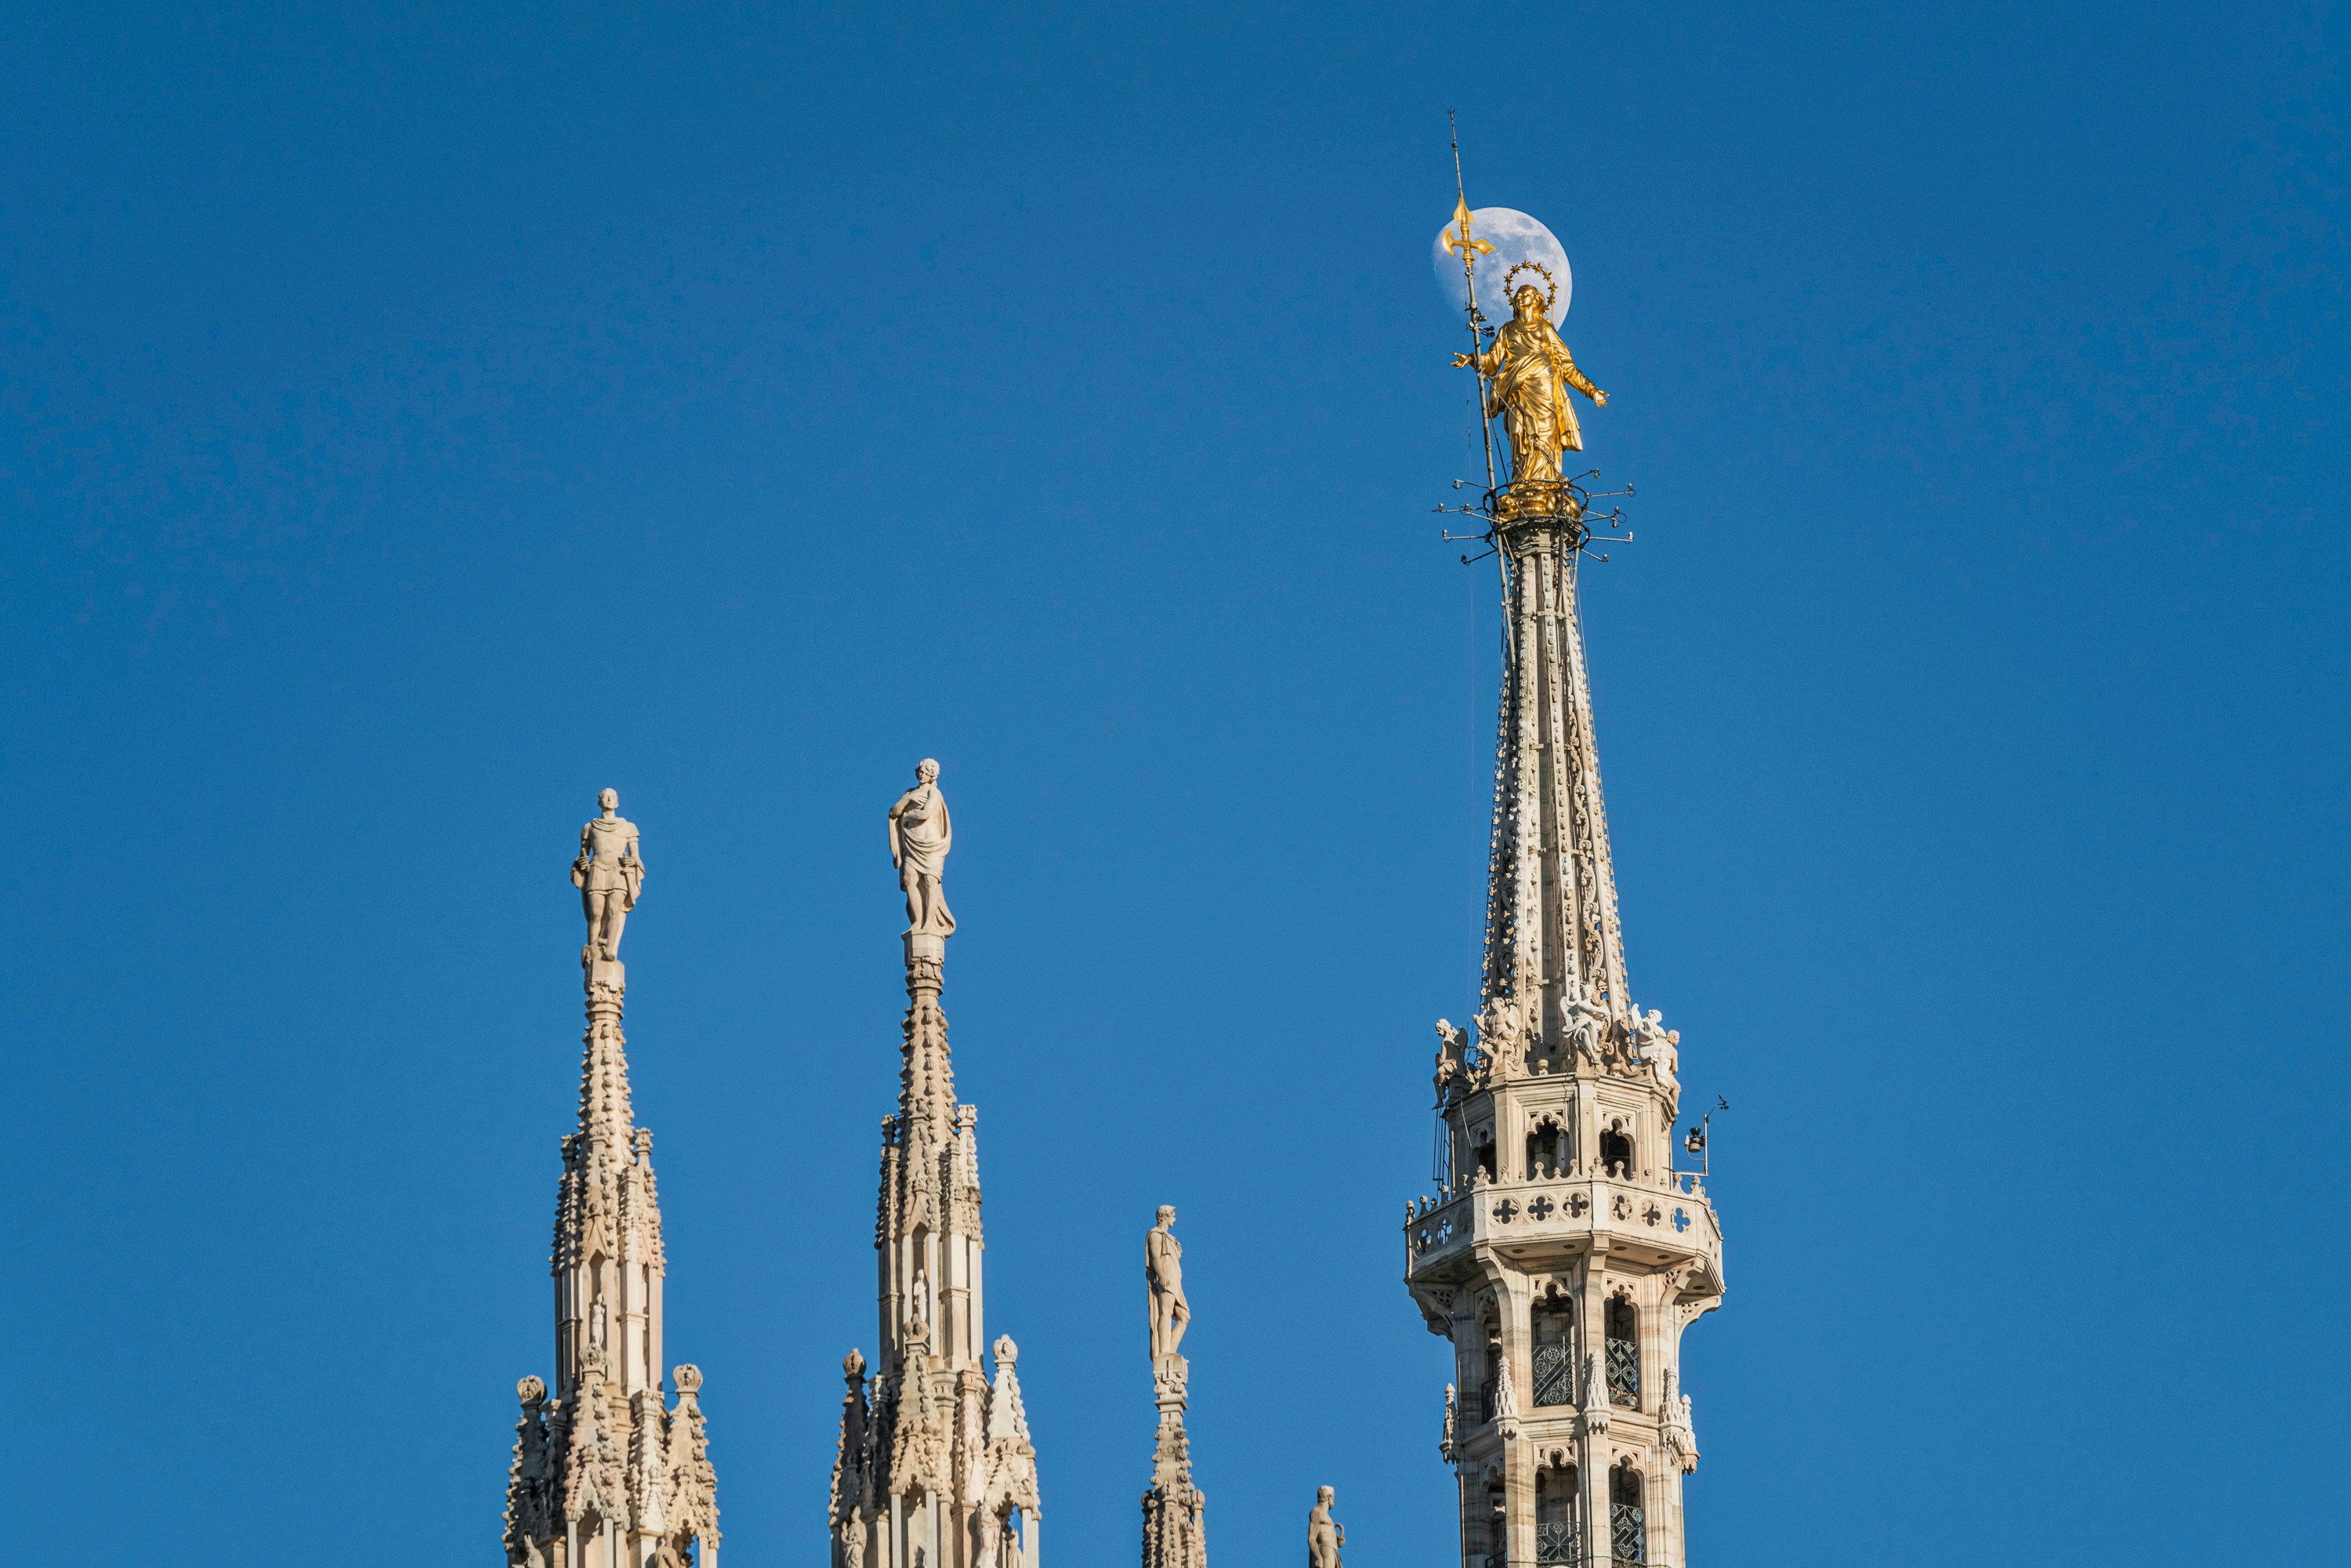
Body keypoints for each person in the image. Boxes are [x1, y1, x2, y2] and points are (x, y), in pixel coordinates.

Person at [1453, 284, 1608, 486]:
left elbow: (1567, 366)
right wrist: (1472, 359)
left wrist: (1591, 390)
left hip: (1544, 391)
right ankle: (1522, 481)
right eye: (1518, 294)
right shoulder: (1508, 330)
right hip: (1517, 389)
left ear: (1536, 300)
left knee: (1545, 435)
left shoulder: (1545, 328)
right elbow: (1492, 361)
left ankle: (1548, 480)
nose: (1520, 297)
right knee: (1518, 432)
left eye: (1526, 294)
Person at [572, 788, 644, 961]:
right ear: (599, 802)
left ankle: (610, 948)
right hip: (597, 868)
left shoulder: (628, 827)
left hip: (618, 870)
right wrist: (582, 863)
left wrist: (632, 863)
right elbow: (583, 855)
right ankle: (593, 950)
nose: (609, 799)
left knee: (614, 910)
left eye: (613, 797)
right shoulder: (589, 828)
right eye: (605, 796)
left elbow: (635, 857)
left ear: (618, 802)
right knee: (595, 913)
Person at [887, 759, 955, 936]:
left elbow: (925, 813)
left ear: (932, 775)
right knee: (910, 878)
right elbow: (894, 812)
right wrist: (908, 799)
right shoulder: (910, 793)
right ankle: (918, 921)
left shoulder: (935, 793)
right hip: (912, 842)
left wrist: (908, 816)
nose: (922, 775)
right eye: (920, 771)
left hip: (931, 844)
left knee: (930, 881)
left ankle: (929, 924)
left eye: (926, 772)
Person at [1146, 1205, 1190, 1364]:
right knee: (1166, 1311)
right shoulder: (1155, 1235)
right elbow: (1156, 1258)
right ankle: (1164, 1353)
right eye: (1173, 1215)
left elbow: (1171, 1259)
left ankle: (1170, 1351)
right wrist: (1162, 1276)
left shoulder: (1170, 1238)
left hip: (1175, 1280)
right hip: (1166, 1279)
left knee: (1184, 1316)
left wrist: (1177, 1251)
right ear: (1165, 1216)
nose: (1175, 1219)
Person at [1307, 1486, 1345, 1568]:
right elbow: (1311, 1539)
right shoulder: (1317, 1512)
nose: (1334, 1500)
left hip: (1332, 1551)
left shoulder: (1326, 1516)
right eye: (1333, 1497)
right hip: (1325, 1551)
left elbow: (1324, 1533)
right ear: (1329, 1497)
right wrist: (1318, 1557)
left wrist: (1336, 1541)